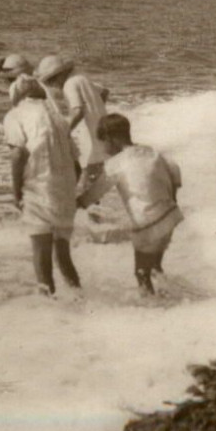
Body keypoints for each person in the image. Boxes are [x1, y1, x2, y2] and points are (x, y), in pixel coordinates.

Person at [76, 114, 182, 296]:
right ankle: (167, 297)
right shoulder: (151, 151)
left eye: (102, 142)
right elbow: (174, 172)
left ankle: (153, 310)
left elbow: (94, 195)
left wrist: (76, 202)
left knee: (141, 273)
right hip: (170, 216)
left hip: (147, 223)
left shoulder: (115, 163)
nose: (101, 147)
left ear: (111, 138)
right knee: (155, 267)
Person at [2, 74, 82, 297]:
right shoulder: (57, 117)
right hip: (64, 189)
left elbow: (18, 155)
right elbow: (76, 165)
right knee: (63, 254)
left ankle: (48, 304)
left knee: (41, 251)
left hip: (39, 188)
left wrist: (16, 192)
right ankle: (79, 297)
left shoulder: (15, 115)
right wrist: (71, 192)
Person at [38, 55, 109, 193]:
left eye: (52, 80)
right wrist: (96, 112)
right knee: (94, 182)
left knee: (85, 186)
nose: (52, 84)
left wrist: (64, 131)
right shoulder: (82, 79)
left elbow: (78, 112)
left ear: (60, 74)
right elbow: (105, 92)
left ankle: (87, 211)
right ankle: (94, 210)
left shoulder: (69, 85)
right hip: (102, 134)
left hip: (90, 141)